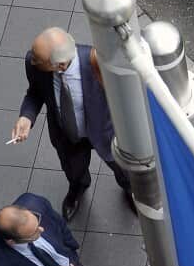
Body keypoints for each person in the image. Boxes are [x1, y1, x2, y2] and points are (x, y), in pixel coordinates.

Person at [11, 27, 130, 221]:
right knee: (74, 171)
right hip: (67, 134)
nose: (32, 60)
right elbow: (35, 92)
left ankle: (130, 191)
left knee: (124, 170)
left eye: (37, 60)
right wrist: (26, 116)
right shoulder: (34, 63)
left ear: (60, 64)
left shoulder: (99, 64)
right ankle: (77, 189)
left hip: (105, 132)